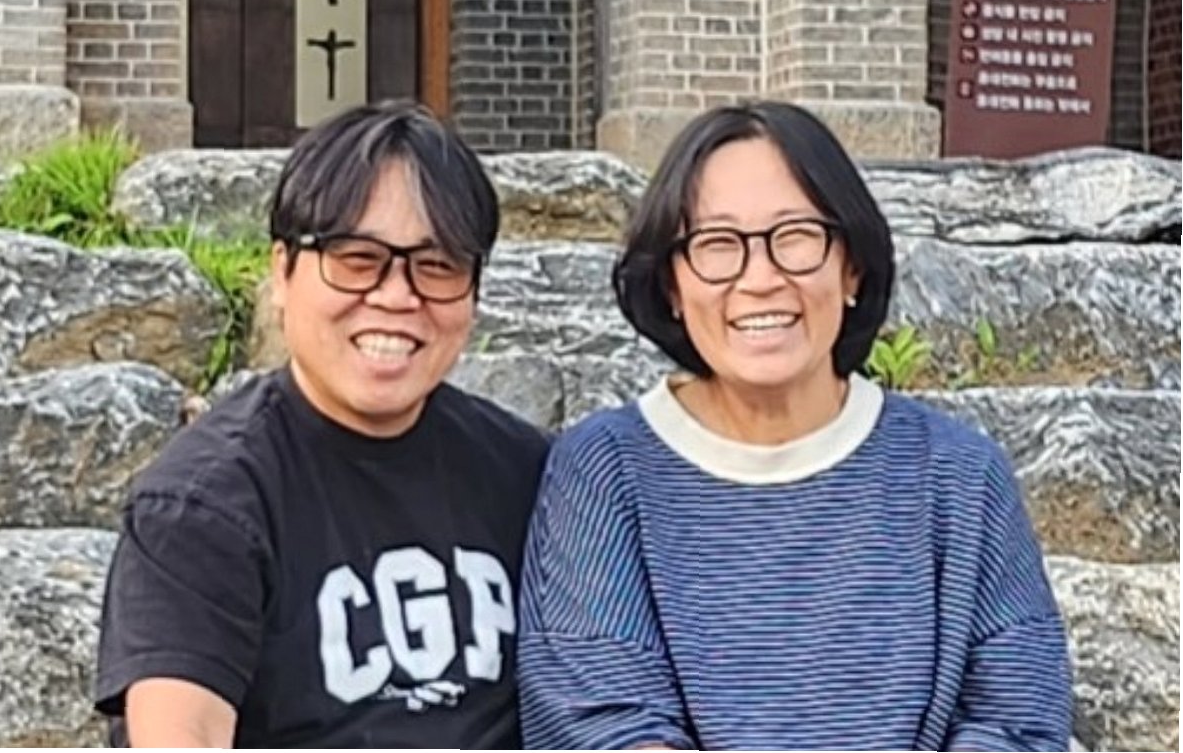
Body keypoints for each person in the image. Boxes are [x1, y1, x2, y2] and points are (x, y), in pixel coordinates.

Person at [517, 102, 1073, 751]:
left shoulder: (958, 475)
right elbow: (603, 724)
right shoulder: (605, 470)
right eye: (716, 244)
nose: (760, 278)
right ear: (671, 284)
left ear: (851, 267)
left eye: (796, 236)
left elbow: (1016, 719)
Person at [95, 101, 549, 747]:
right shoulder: (202, 506)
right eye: (357, 258)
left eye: (437, 265)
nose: (397, 296)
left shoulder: (529, 474)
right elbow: (181, 735)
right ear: (281, 271)